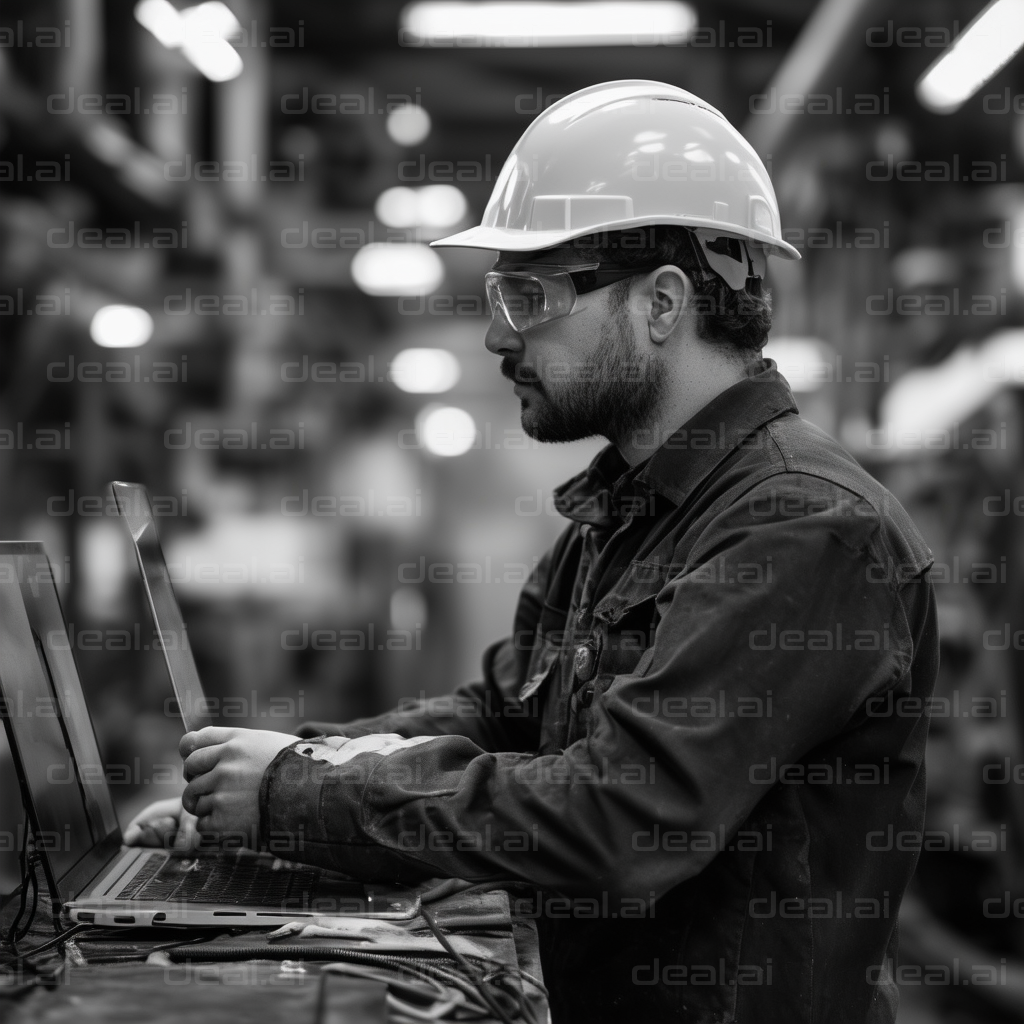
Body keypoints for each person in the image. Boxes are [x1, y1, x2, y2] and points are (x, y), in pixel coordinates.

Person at [126, 81, 938, 1024]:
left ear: (662, 304)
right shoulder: (632, 509)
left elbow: (620, 820)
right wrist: (264, 777)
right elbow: (505, 718)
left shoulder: (802, 529)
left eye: (531, 294)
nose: (495, 333)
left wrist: (297, 793)